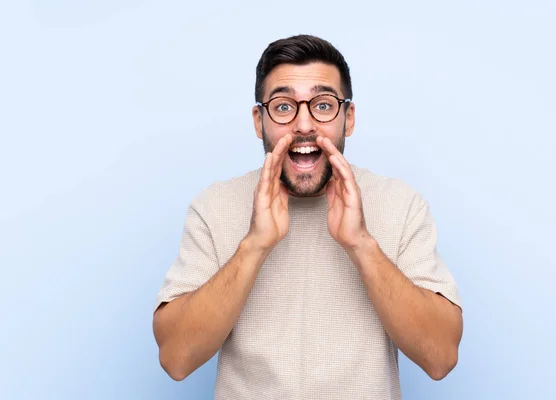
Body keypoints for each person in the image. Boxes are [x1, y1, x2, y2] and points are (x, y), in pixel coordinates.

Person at [152, 34, 463, 399]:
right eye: (284, 107)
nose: (303, 125)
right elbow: (175, 358)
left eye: (323, 105)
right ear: (259, 120)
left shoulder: (401, 204)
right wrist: (254, 245)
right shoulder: (215, 206)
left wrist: (361, 244)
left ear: (348, 118)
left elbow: (441, 357)